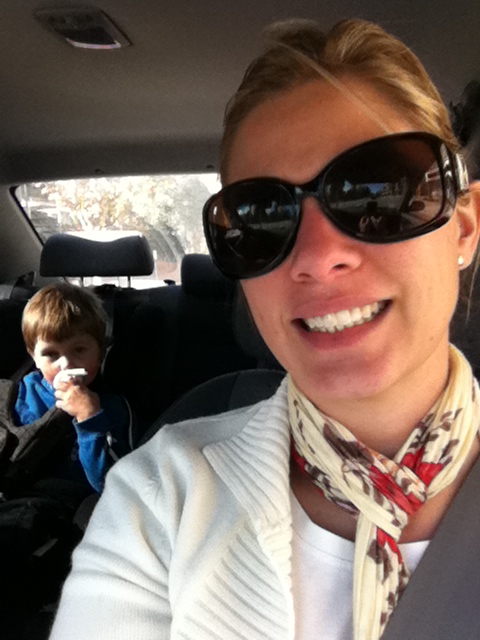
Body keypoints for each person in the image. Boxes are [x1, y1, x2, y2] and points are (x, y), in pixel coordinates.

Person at [50, 18, 480, 640]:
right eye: (260, 221)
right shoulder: (159, 498)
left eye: (378, 196)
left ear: (463, 227)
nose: (317, 257)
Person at [13, 282, 133, 493]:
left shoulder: (112, 407)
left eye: (79, 350)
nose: (66, 364)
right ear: (34, 357)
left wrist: (90, 419)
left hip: (76, 503)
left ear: (100, 353)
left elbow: (111, 484)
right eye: (51, 354)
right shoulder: (20, 395)